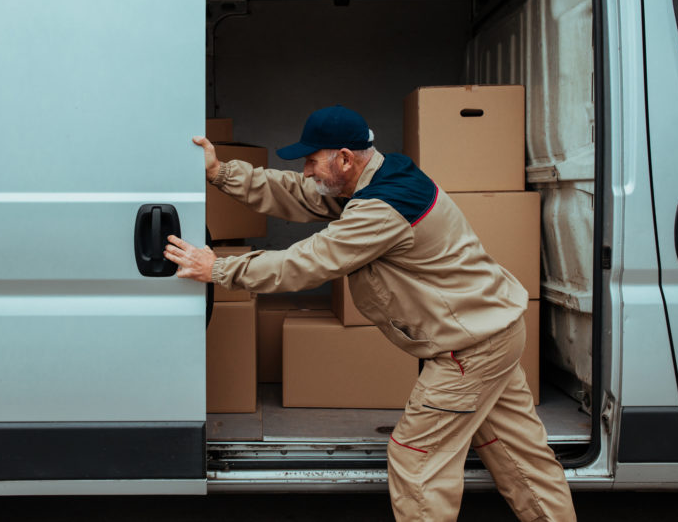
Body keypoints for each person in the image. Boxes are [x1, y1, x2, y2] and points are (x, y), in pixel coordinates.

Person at [164, 105, 577, 522]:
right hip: (495, 329)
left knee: (416, 462)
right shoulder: (380, 175)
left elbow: (306, 262)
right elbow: (297, 191)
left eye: (311, 160)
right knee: (519, 455)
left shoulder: (381, 208)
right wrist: (220, 171)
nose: (306, 171)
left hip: (469, 351)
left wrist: (217, 268)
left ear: (344, 158)